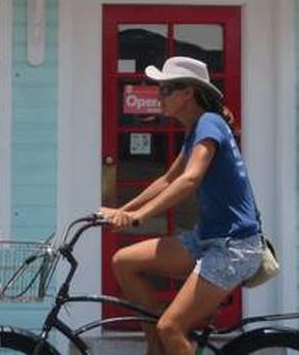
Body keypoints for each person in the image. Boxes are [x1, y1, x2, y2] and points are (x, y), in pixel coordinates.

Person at [98, 56, 262, 355]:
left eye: (167, 89)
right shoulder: (195, 129)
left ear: (188, 93)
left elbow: (190, 180)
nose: (160, 95)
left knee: (170, 327)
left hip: (233, 248)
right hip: (209, 239)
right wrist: (123, 210)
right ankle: (156, 350)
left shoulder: (209, 123)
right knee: (124, 261)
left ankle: (164, 341)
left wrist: (138, 217)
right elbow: (167, 179)